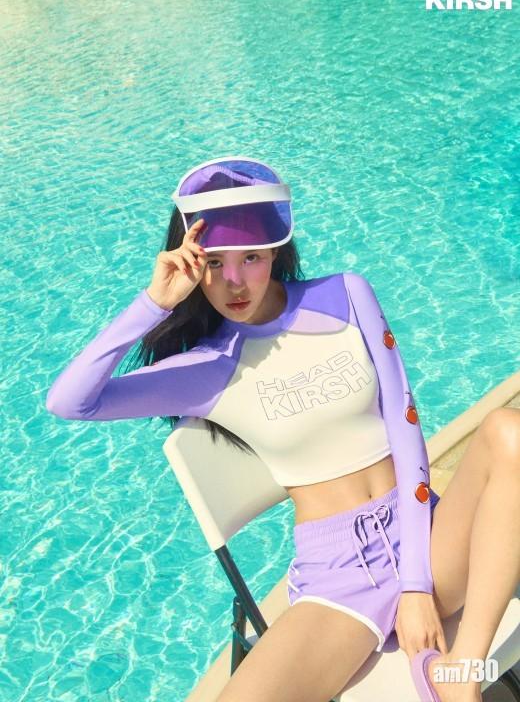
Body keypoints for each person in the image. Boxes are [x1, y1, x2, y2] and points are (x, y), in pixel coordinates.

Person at [46, 156, 520, 702]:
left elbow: (405, 427)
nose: (234, 281)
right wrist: (154, 303)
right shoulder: (204, 369)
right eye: (215, 262)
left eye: (251, 257)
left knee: (509, 431)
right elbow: (69, 401)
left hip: (425, 535)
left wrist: (415, 584)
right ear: (193, 263)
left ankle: (460, 675)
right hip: (340, 576)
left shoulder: (346, 296)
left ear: (275, 250)